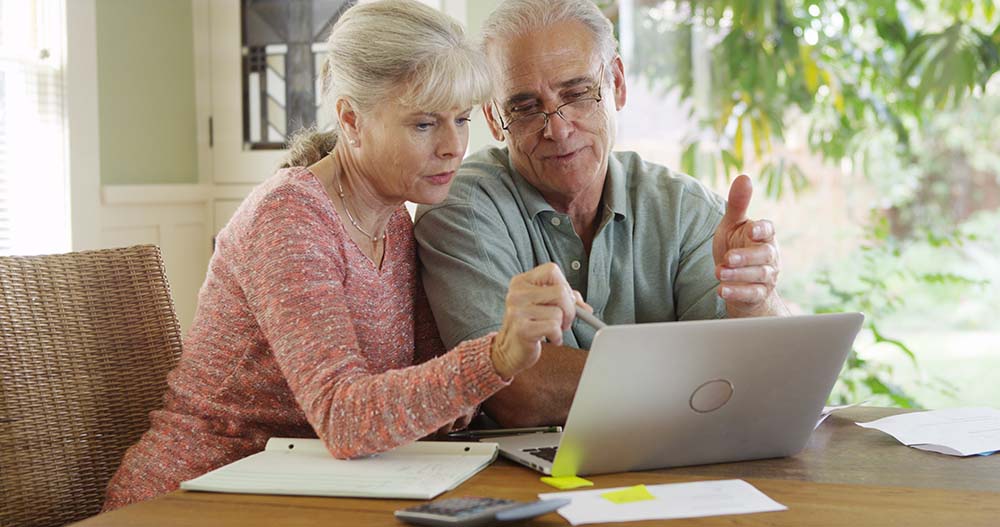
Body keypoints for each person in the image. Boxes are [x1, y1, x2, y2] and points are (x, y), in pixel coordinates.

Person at [103, 0, 584, 510]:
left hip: (318, 489)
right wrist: (497, 355)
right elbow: (343, 416)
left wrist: (510, 348)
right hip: (200, 494)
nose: (453, 147)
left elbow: (427, 398)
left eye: (461, 119)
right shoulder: (288, 217)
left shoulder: (395, 219)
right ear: (352, 120)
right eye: (424, 125)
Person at [414, 0, 791, 428]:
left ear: (617, 83)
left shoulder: (686, 210)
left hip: (682, 466)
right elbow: (517, 391)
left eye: (576, 94)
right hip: (526, 483)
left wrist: (757, 302)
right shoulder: (461, 210)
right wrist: (697, 375)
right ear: (495, 119)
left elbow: (767, 377)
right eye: (524, 107)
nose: (557, 128)